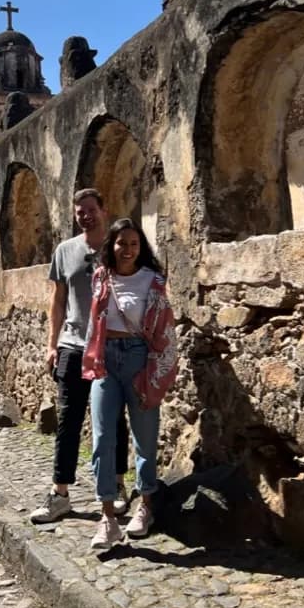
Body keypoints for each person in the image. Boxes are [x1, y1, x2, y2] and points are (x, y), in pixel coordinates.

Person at [30, 189, 131, 524]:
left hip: (110, 345)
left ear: (104, 210)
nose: (85, 216)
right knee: (68, 421)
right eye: (80, 212)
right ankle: (60, 494)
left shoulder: (119, 246)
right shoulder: (65, 250)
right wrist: (52, 344)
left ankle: (117, 485)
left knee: (113, 420)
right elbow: (58, 300)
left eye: (91, 210)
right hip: (73, 346)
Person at [82, 218, 177, 551]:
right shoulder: (101, 277)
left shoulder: (153, 281)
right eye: (122, 243)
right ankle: (107, 517)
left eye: (134, 243)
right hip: (105, 360)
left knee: (144, 437)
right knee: (103, 438)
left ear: (141, 247)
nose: (128, 249)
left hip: (139, 359)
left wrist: (157, 371)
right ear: (112, 245)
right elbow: (94, 322)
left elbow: (164, 329)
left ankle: (146, 505)